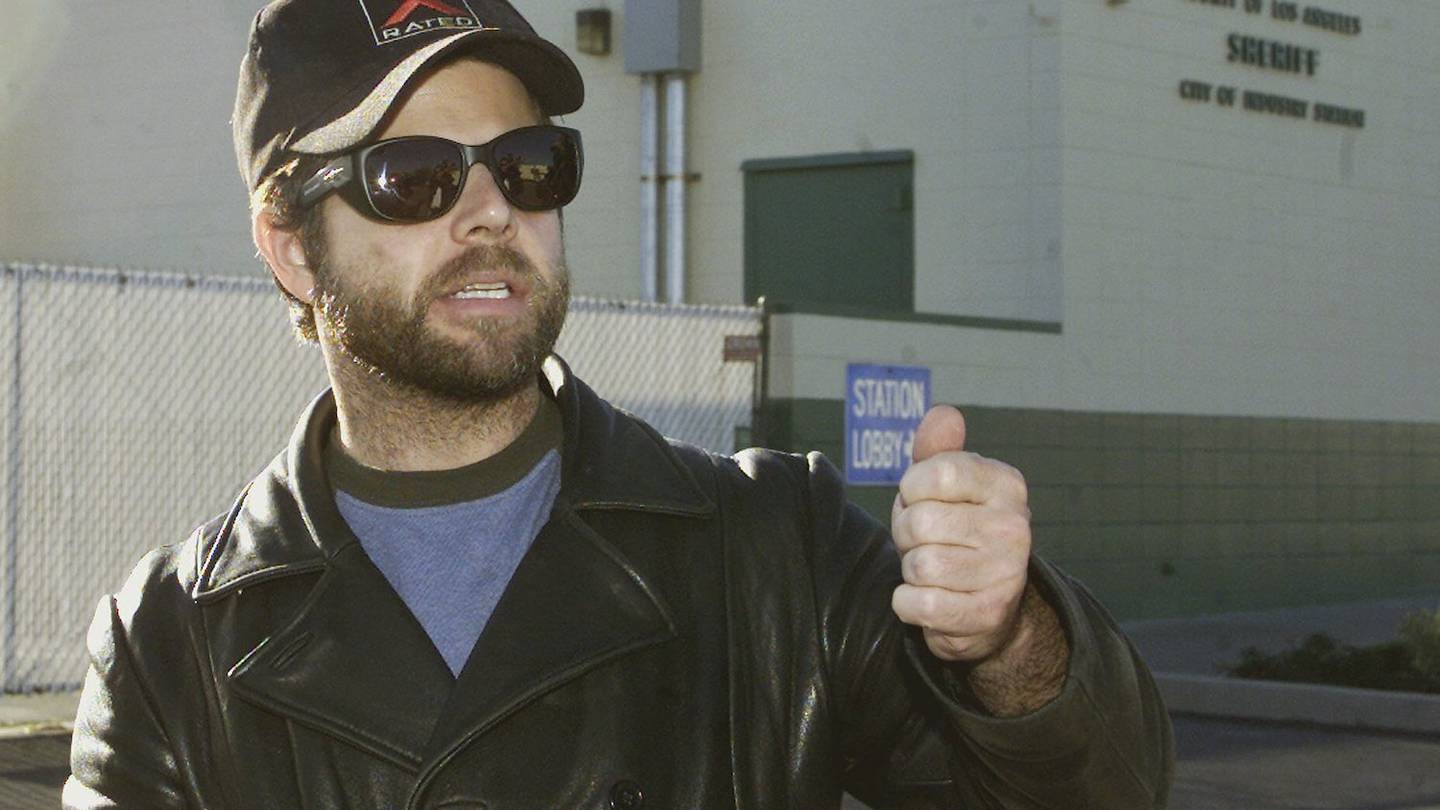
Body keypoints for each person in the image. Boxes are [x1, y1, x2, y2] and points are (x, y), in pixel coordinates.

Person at [65, 0, 1174, 807]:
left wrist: (1009, 641)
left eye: (529, 163)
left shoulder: (775, 553)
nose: (492, 211)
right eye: (413, 177)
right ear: (292, 249)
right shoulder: (170, 648)